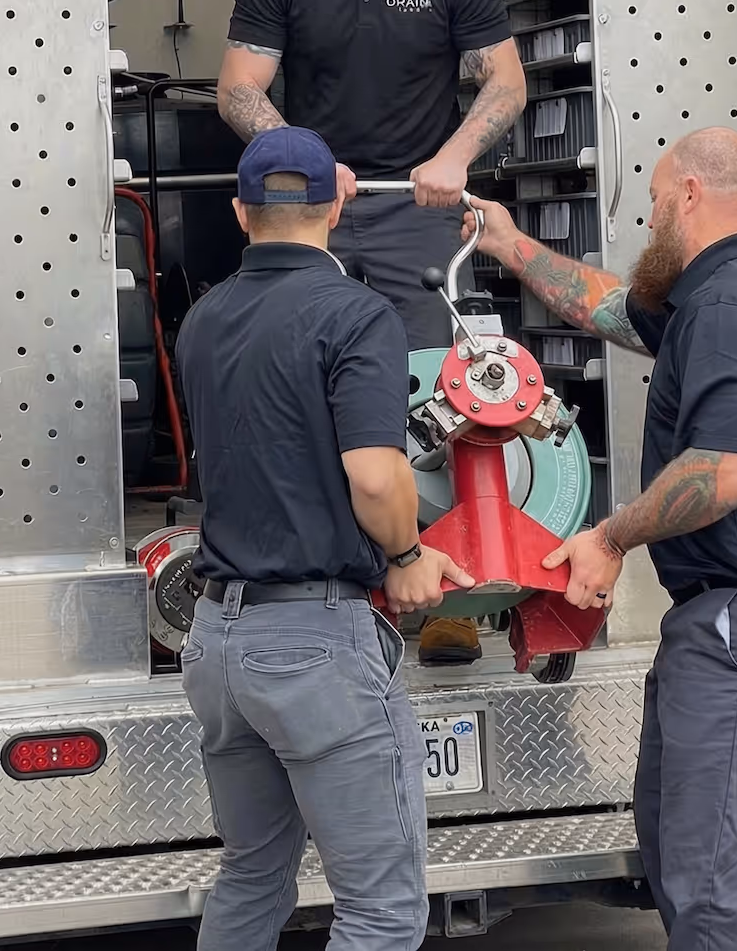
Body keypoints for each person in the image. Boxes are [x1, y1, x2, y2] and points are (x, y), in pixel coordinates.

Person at [462, 127, 737, 951]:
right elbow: (604, 305)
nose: (647, 222)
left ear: (688, 194)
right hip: (729, 622)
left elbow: (723, 473)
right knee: (680, 853)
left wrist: (608, 538)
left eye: (651, 203)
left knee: (712, 888)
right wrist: (507, 244)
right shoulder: (707, 295)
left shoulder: (730, 308)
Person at [216, 0, 527, 668]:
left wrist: (456, 156)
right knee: (297, 393)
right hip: (313, 207)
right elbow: (238, 87)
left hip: (414, 210)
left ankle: (446, 601)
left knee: (437, 403)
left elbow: (505, 85)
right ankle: (333, 585)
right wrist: (300, 156)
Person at [175, 125, 476, 951]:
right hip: (313, 647)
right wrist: (408, 556)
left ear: (240, 214)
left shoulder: (202, 319)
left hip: (218, 643)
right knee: (379, 910)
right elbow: (376, 478)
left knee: (252, 876)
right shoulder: (354, 314)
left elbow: (272, 459)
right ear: (336, 206)